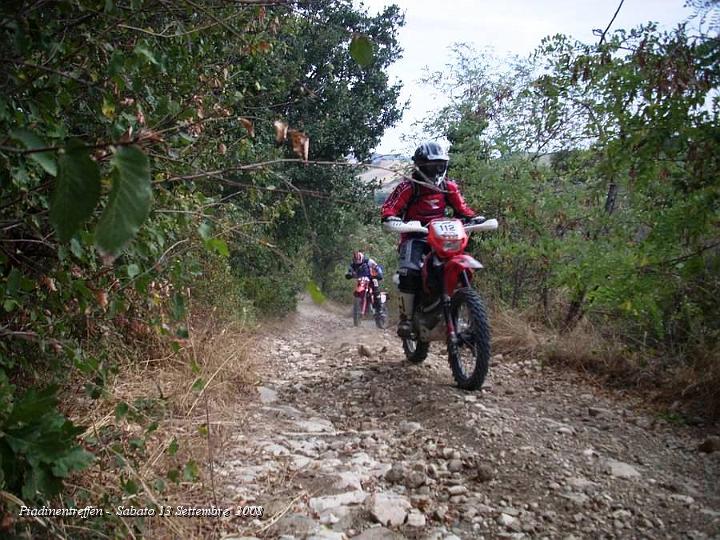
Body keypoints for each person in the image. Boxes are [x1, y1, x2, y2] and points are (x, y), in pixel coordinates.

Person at [381, 141, 483, 337]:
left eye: (439, 165)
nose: (435, 170)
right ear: (419, 165)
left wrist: (473, 217)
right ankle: (407, 319)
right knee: (409, 271)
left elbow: (463, 209)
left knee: (458, 260)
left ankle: (460, 307)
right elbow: (390, 207)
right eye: (430, 166)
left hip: (442, 236)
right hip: (415, 236)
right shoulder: (409, 187)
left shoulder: (448, 187)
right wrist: (390, 217)